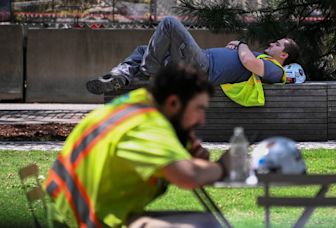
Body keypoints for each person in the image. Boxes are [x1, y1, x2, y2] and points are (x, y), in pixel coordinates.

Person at [45, 63, 229, 227]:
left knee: (208, 221)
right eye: (199, 109)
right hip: (82, 221)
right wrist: (223, 167)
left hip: (71, 212)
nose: (202, 120)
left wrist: (186, 150)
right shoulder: (146, 125)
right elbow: (188, 176)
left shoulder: (140, 103)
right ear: (173, 102)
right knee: (205, 225)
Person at [86, 16, 300, 95]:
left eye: (278, 44)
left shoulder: (275, 69)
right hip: (196, 62)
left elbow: (248, 62)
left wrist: (242, 44)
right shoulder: (267, 61)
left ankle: (145, 72)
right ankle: (120, 75)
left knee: (169, 23)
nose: (272, 43)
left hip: (202, 68)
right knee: (144, 49)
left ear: (283, 54)